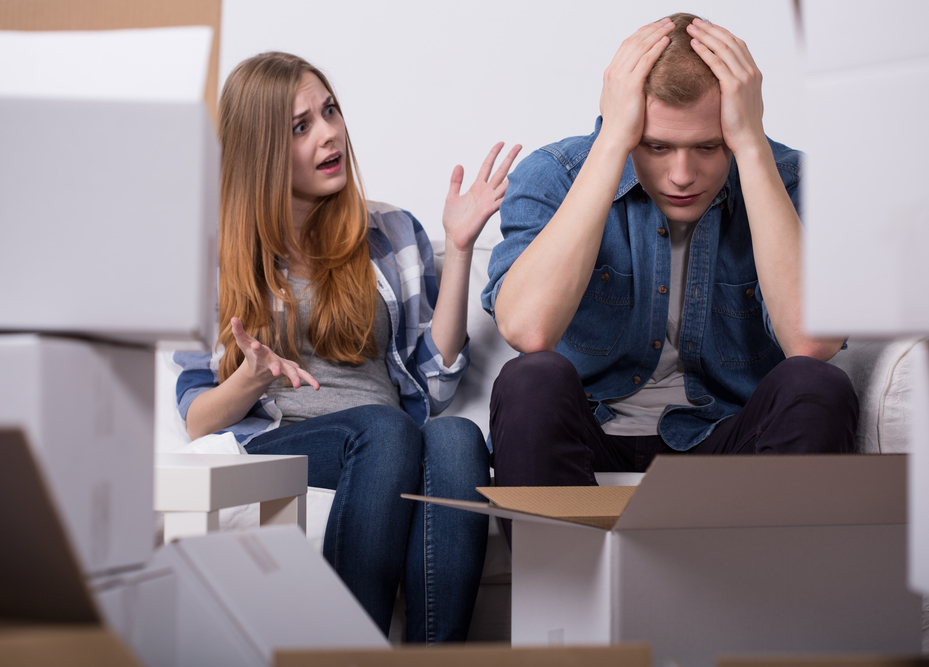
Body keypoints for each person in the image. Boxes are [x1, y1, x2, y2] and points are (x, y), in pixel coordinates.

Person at [174, 51, 520, 641]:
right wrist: (252, 377)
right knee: (385, 431)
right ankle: (343, 653)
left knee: (459, 436)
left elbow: (435, 383)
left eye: (329, 110)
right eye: (301, 126)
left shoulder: (389, 234)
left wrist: (459, 248)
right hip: (289, 443)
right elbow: (197, 418)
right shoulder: (216, 257)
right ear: (261, 150)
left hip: (392, 440)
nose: (330, 133)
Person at [483, 13, 858, 541]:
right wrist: (613, 142)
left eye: (708, 147)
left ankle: (774, 611)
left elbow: (811, 341)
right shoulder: (556, 174)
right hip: (593, 433)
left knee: (818, 385)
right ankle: (564, 607)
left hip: (726, 436)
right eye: (657, 147)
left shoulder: (795, 181)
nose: (682, 176)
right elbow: (527, 330)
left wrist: (750, 147)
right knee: (530, 379)